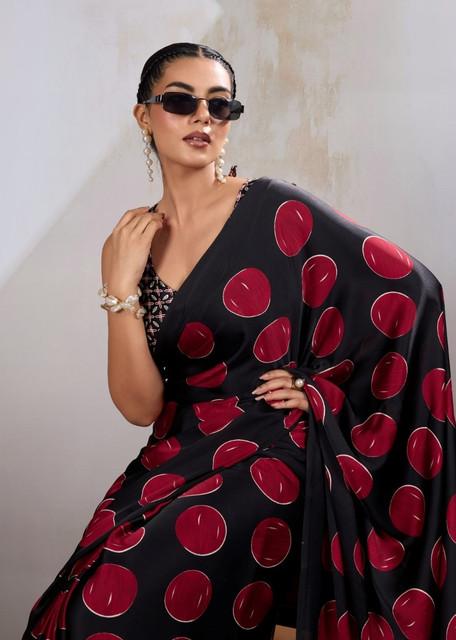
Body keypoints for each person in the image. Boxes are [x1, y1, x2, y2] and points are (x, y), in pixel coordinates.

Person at [21, 42, 456, 640]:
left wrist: (320, 392)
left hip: (268, 450)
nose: (203, 116)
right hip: (178, 451)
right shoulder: (131, 244)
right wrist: (119, 289)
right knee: (75, 610)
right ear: (144, 115)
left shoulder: (275, 209)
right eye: (181, 101)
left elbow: (412, 290)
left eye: (220, 105)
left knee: (112, 615)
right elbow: (141, 407)